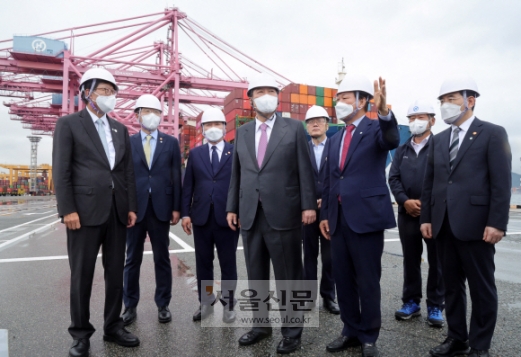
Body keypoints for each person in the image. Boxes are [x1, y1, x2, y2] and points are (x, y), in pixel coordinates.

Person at [226, 73, 317, 354]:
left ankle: (292, 332)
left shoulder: (294, 128)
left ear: (277, 97)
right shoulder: (242, 132)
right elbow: (237, 174)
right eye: (260, 91)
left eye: (271, 91)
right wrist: (232, 207)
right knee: (256, 273)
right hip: (250, 212)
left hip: (285, 211)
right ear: (251, 99)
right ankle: (260, 326)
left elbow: (306, 168)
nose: (266, 95)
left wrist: (308, 205)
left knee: (289, 274)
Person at [420, 77, 511, 357]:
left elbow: (501, 183)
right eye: (442, 100)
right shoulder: (438, 140)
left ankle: (480, 344)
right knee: (451, 286)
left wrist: (497, 222)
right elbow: (430, 182)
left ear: (470, 100)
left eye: (451, 99)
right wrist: (426, 217)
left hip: (477, 225)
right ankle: (457, 337)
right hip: (443, 224)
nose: (445, 105)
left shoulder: (492, 133)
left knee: (482, 287)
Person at [52, 68, 139, 357]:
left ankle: (113, 326)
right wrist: (67, 209)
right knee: (82, 275)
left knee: (115, 273)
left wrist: (130, 207)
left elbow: (126, 172)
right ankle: (80, 334)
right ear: (86, 92)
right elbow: (61, 170)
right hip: (83, 212)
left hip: (116, 212)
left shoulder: (120, 129)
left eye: (113, 91)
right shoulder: (69, 124)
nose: (110, 96)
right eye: (104, 90)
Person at [319, 75, 399, 357]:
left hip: (366, 217)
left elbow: (392, 139)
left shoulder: (376, 128)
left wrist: (385, 112)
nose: (338, 103)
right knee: (342, 278)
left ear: (363, 100)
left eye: (344, 98)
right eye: (337, 98)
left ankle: (369, 335)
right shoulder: (334, 137)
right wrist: (325, 215)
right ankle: (350, 330)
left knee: (367, 279)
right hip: (338, 218)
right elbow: (329, 180)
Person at [121, 94, 182, 326]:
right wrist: (126, 207)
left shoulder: (171, 143)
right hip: (135, 210)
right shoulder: (128, 142)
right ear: (137, 115)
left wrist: (176, 207)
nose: (152, 116)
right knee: (131, 259)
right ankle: (129, 306)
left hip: (161, 208)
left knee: (162, 258)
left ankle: (163, 304)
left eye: (156, 112)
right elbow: (124, 176)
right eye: (146, 111)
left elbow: (177, 176)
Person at [388, 100, 444, 327]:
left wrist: (427, 204)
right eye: (411, 119)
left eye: (420, 118)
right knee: (411, 260)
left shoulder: (442, 145)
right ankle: (411, 301)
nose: (415, 122)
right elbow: (393, 178)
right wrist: (404, 201)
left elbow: (445, 179)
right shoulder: (402, 150)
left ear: (432, 120)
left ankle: (436, 305)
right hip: (406, 213)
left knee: (437, 261)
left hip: (435, 214)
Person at [181, 108, 239, 324]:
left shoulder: (235, 152)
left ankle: (229, 303)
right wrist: (186, 213)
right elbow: (188, 186)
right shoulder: (195, 154)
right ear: (203, 130)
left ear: (225, 128)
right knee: (203, 262)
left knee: (228, 263)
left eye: (217, 125)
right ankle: (205, 302)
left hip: (228, 217)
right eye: (208, 125)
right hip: (202, 216)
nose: (213, 129)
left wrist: (239, 211)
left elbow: (240, 185)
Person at [302, 105, 339, 315]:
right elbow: (295, 180)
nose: (315, 123)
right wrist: (308, 201)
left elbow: (339, 177)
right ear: (307, 127)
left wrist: (325, 200)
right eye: (310, 121)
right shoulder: (301, 150)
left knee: (330, 257)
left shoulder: (335, 147)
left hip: (329, 210)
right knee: (308, 255)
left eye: (319, 120)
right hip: (307, 212)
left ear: (327, 124)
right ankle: (308, 297)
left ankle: (328, 296)